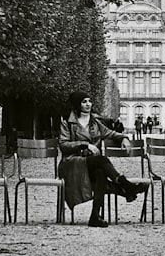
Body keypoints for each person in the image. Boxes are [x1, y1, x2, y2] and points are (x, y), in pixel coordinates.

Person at [59, 91, 150, 227]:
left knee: (101, 173)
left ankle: (95, 216)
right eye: (84, 101)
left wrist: (123, 138)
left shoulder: (95, 122)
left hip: (91, 164)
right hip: (73, 163)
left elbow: (111, 133)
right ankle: (126, 186)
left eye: (89, 101)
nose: (88, 104)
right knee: (101, 160)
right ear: (77, 104)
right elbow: (63, 145)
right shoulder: (67, 122)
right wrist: (85, 144)